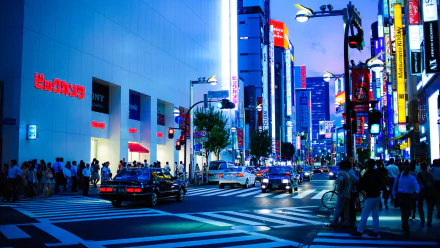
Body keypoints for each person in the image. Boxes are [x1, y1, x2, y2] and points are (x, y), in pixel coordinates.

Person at [351, 159, 384, 237]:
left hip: (370, 196)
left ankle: (359, 231)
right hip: (377, 195)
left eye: (366, 165)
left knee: (365, 214)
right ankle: (375, 231)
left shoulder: (368, 173)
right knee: (375, 214)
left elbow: (363, 184)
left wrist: (360, 188)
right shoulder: (377, 173)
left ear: (368, 165)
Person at [393, 163, 420, 236]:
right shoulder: (398, 177)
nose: (407, 170)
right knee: (403, 210)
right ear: (403, 168)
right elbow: (394, 186)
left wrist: (416, 192)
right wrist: (394, 196)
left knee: (407, 210)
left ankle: (405, 223)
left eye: (409, 168)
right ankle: (404, 223)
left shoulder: (412, 178)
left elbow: (416, 185)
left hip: (409, 196)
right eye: (406, 168)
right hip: (401, 196)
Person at [326, 160, 351, 228]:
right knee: (346, 209)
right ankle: (346, 222)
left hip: (342, 194)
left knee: (338, 208)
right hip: (347, 193)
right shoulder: (346, 173)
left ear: (340, 167)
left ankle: (334, 222)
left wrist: (339, 189)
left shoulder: (341, 173)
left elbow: (340, 181)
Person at [417, 163, 435, 227]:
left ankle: (422, 219)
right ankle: (429, 221)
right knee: (429, 206)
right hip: (429, 190)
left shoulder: (419, 174)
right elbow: (433, 182)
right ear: (426, 167)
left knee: (420, 205)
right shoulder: (430, 173)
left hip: (421, 190)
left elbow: (417, 182)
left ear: (421, 167)